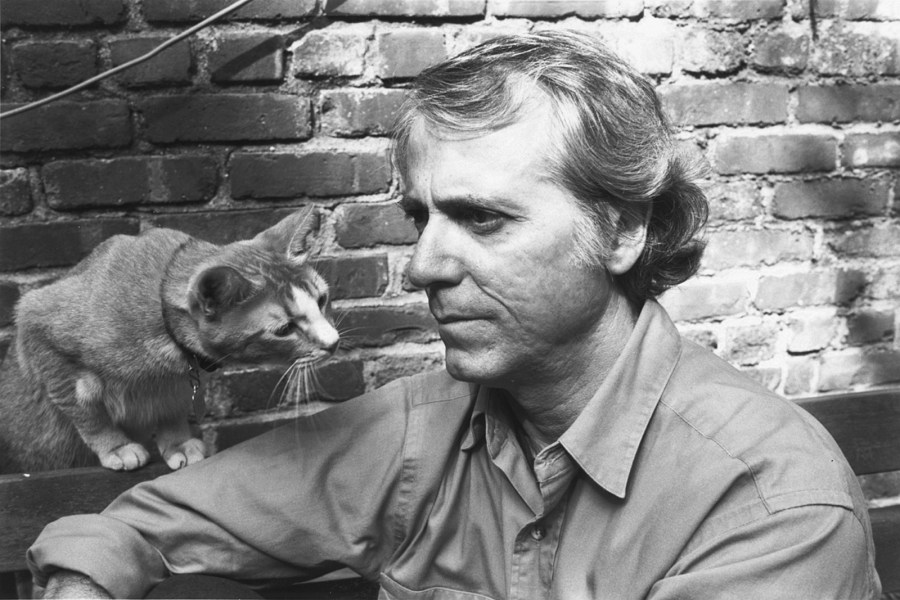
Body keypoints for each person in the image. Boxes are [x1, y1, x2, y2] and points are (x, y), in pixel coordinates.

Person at [30, 30, 880, 600]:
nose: (424, 265)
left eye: (483, 218)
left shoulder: (767, 506)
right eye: (420, 217)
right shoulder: (417, 432)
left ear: (623, 231)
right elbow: (139, 526)